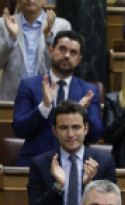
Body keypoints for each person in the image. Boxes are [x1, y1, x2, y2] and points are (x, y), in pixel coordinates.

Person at [27, 100, 116, 205]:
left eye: (76, 127)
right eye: (63, 128)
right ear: (54, 130)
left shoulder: (104, 163)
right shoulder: (41, 164)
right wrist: (57, 187)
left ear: (86, 128)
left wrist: (88, 186)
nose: (70, 134)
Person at [12, 30, 103, 166]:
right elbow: (19, 129)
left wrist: (82, 112)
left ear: (79, 60)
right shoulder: (29, 85)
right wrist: (44, 107)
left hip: (75, 166)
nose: (67, 56)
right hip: (35, 163)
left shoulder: (88, 91)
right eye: (62, 49)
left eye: (73, 52)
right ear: (51, 51)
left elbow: (95, 135)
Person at [0, 0, 71, 101]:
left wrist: (48, 37)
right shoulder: (4, 24)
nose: (30, 0)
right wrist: (11, 38)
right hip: (12, 98)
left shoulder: (61, 25)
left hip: (48, 97)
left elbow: (64, 63)